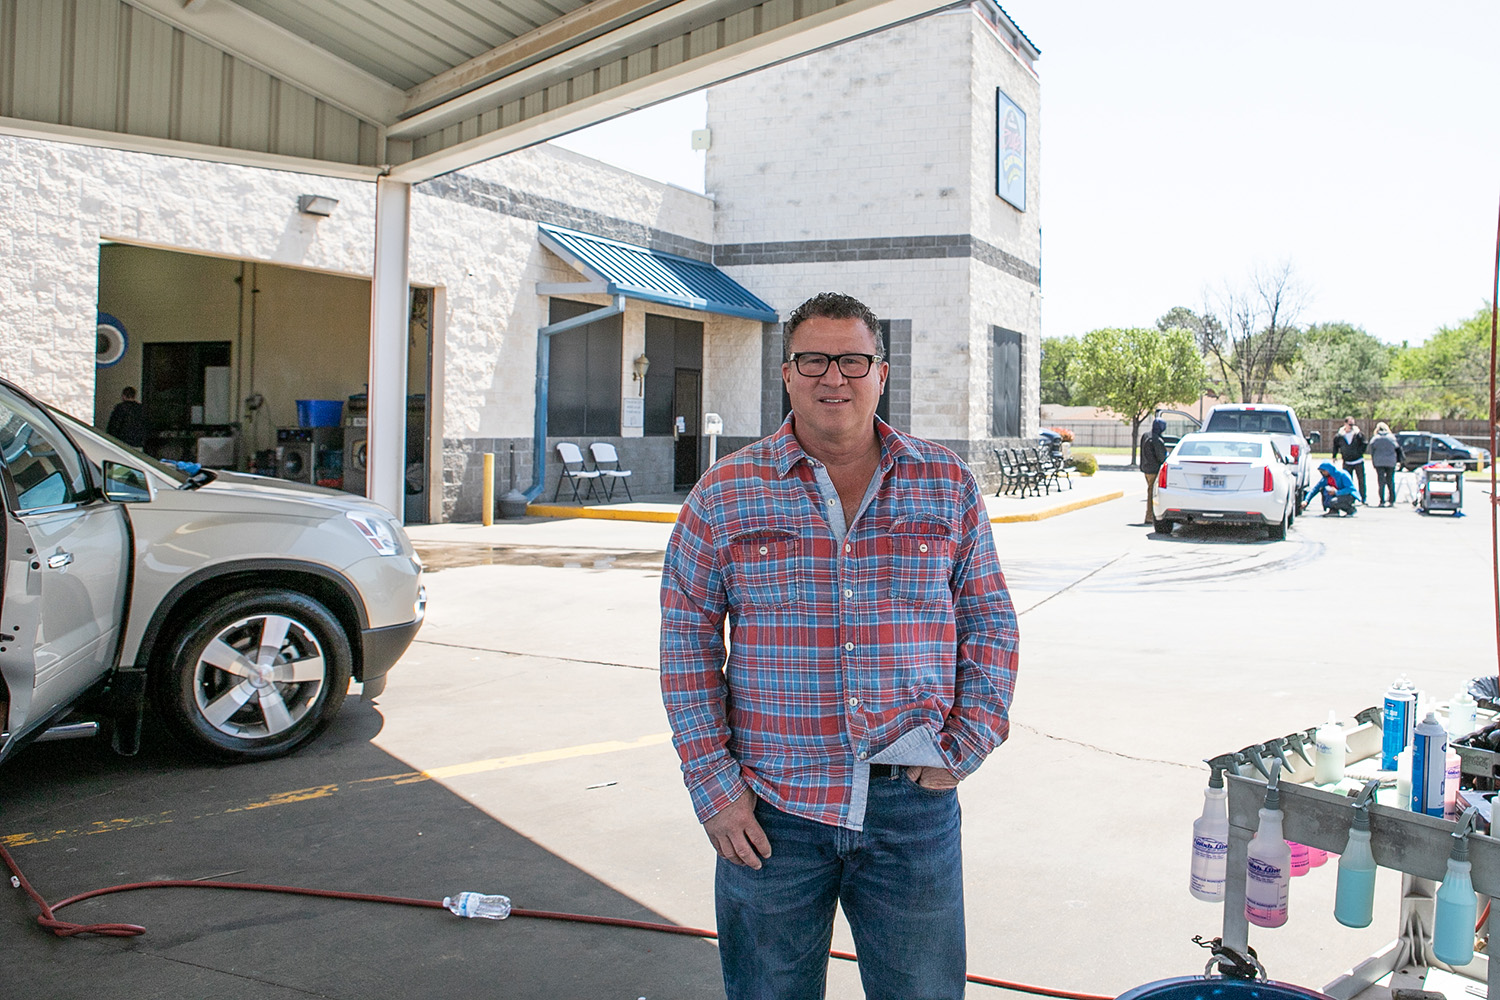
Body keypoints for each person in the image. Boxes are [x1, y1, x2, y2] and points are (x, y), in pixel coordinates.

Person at [659, 292, 1019, 1000]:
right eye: (814, 359)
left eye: (853, 360)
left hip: (912, 810)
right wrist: (714, 789)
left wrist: (968, 742)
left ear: (882, 372)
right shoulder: (723, 496)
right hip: (768, 813)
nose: (835, 377)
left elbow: (992, 622)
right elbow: (685, 644)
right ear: (786, 374)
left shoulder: (945, 485)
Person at [1139, 417, 1169, 526]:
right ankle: (1150, 516)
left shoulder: (1145, 436)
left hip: (1146, 469)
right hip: (1154, 470)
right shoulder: (1157, 440)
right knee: (1152, 494)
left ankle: (1150, 515)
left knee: (1150, 492)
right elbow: (1161, 457)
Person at [1367, 421, 1404, 507]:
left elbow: (1371, 450)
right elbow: (1397, 448)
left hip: (1379, 462)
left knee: (1381, 481)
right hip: (1390, 461)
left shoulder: (1375, 438)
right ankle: (1391, 499)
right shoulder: (1391, 438)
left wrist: (1374, 461)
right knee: (1390, 480)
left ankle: (1382, 500)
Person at [1332, 417, 1367, 504]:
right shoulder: (1340, 435)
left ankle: (1363, 498)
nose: (1351, 426)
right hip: (1347, 461)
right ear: (1345, 424)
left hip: (1358, 461)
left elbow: (1364, 443)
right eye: (1350, 424)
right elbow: (1335, 446)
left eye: (1353, 424)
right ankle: (1349, 498)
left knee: (1361, 480)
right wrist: (1334, 456)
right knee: (1347, 481)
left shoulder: (1358, 434)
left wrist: (1359, 452)